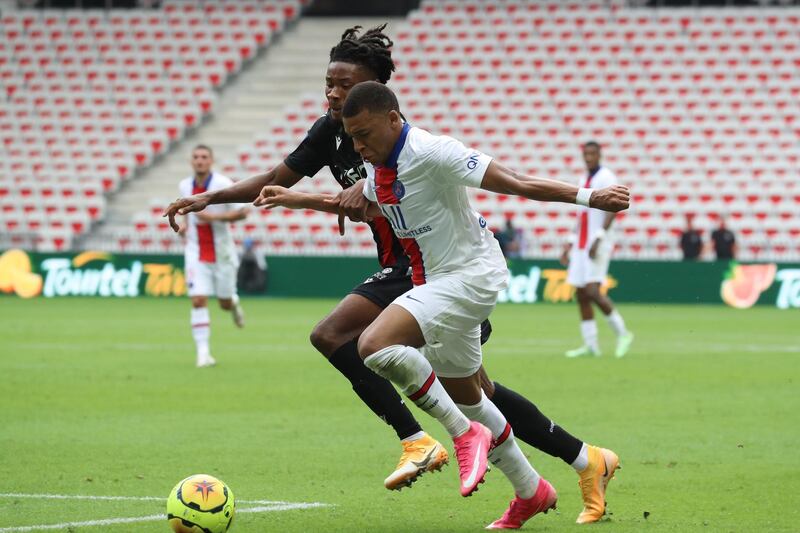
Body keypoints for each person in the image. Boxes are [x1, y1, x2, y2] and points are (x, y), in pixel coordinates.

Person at [164, 26, 619, 524]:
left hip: (431, 269)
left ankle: (419, 439)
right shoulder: (338, 136)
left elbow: (493, 182)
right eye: (329, 84)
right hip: (414, 270)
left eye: (346, 85)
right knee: (478, 394)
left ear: (376, 95)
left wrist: (586, 195)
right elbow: (293, 184)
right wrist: (218, 197)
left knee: (347, 338)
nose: (335, 94)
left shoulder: (405, 145)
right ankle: (579, 462)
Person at [255, 81, 629, 528]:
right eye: (352, 138)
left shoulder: (433, 152)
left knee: (374, 345)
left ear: (393, 119)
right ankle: (543, 485)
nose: (357, 147)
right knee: (471, 394)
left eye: (364, 135)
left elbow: (514, 181)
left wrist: (588, 198)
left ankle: (459, 436)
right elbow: (369, 207)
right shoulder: (378, 167)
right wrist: (295, 198)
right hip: (435, 281)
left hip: (472, 274)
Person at [560, 141, 634, 359]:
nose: (589, 157)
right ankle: (591, 345)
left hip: (597, 243)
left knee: (592, 290)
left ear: (600, 154)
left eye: (592, 153)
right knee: (581, 294)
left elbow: (614, 207)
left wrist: (599, 237)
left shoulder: (606, 177)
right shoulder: (584, 179)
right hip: (582, 244)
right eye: (586, 154)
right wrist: (570, 241)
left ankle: (623, 334)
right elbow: (581, 215)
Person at [178, 144, 248, 367]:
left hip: (222, 252)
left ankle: (234, 304)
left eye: (204, 157)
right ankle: (203, 353)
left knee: (224, 303)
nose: (199, 160)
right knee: (198, 299)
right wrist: (183, 226)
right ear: (191, 161)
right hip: (196, 251)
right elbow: (187, 214)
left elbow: (244, 211)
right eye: (196, 157)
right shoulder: (185, 185)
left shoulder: (222, 184)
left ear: (211, 161)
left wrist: (214, 219)